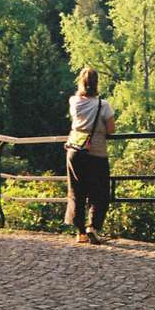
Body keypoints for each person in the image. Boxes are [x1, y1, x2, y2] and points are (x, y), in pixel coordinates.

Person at [64, 66, 115, 244]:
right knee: (100, 192)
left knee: (76, 192)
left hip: (74, 151)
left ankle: (80, 233)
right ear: (97, 83)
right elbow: (111, 129)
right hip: (96, 153)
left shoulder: (74, 102)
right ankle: (92, 227)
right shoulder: (104, 105)